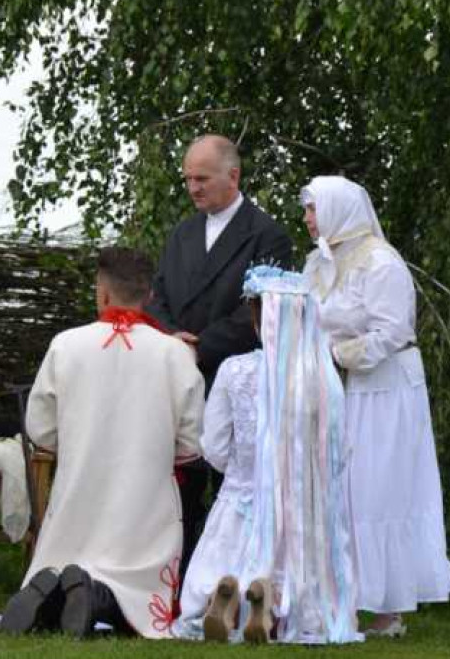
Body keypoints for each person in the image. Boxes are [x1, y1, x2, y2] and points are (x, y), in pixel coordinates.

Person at [0, 247, 204, 639]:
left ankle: (54, 591)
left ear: (102, 292)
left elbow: (40, 429)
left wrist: (79, 443)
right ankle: (95, 597)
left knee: (64, 557)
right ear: (148, 297)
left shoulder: (66, 344)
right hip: (144, 505)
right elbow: (192, 442)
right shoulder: (176, 354)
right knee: (136, 587)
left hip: (79, 495)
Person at [300, 175, 450, 637]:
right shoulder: (318, 264)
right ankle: (345, 598)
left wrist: (339, 355)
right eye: (308, 212)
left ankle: (384, 607)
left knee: (376, 491)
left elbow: (393, 331)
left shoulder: (381, 262)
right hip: (335, 388)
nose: (308, 220)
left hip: (383, 390)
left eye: (313, 210)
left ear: (337, 209)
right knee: (343, 491)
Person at [174, 265, 361, 645]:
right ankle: (270, 604)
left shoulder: (234, 370)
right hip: (299, 514)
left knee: (219, 557)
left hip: (240, 498)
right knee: (302, 582)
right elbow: (341, 451)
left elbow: (214, 445)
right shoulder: (323, 381)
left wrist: (240, 475)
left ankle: (221, 598)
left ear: (259, 322)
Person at [147, 134, 293, 572]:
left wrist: (201, 344)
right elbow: (159, 297)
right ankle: (176, 576)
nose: (193, 188)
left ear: (234, 175)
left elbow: (261, 309)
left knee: (229, 485)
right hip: (179, 376)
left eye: (202, 178)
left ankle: (228, 579)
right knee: (180, 483)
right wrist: (173, 339)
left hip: (232, 377)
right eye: (188, 178)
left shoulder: (267, 235)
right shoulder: (182, 232)